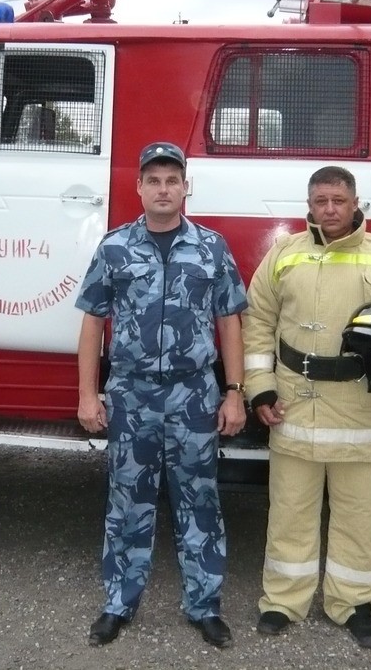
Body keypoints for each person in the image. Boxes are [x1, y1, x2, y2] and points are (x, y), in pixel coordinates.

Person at [242, 165, 371, 649]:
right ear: (309, 205)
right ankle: (281, 602)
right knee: (290, 511)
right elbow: (256, 325)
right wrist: (261, 389)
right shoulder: (283, 257)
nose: (330, 209)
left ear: (356, 203)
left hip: (361, 412)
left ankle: (354, 603)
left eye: (338, 200)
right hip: (292, 408)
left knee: (360, 515)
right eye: (320, 201)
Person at [75, 140, 248, 649]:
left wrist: (233, 393)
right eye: (154, 180)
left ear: (184, 187)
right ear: (139, 188)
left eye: (172, 180)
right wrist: (89, 394)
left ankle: (204, 605)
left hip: (195, 393)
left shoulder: (212, 248)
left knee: (200, 500)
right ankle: (118, 603)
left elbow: (230, 322)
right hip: (132, 396)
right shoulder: (114, 248)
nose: (163, 189)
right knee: (128, 501)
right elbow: (92, 325)